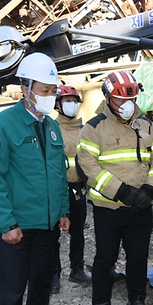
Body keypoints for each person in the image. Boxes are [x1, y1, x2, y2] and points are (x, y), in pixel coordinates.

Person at [0, 52, 70, 305]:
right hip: (17, 225)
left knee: (42, 282)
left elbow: (59, 173)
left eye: (53, 90)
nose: (51, 96)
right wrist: (5, 223)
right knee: (12, 289)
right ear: (26, 89)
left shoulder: (52, 128)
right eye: (45, 90)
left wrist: (62, 210)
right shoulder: (2, 124)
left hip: (47, 224)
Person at [76, 70, 153, 305]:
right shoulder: (94, 128)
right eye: (119, 99)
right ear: (107, 97)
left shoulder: (147, 125)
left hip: (140, 207)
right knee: (105, 260)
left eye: (131, 99)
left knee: (138, 258)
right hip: (109, 209)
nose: (126, 105)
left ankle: (136, 303)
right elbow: (88, 168)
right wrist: (123, 192)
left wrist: (150, 188)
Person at [53, 84, 92, 290]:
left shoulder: (85, 130)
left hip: (79, 189)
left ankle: (77, 270)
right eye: (67, 101)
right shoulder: (51, 128)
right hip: (57, 190)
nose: (71, 105)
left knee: (77, 233)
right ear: (58, 105)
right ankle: (54, 275)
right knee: (53, 235)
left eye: (74, 101)